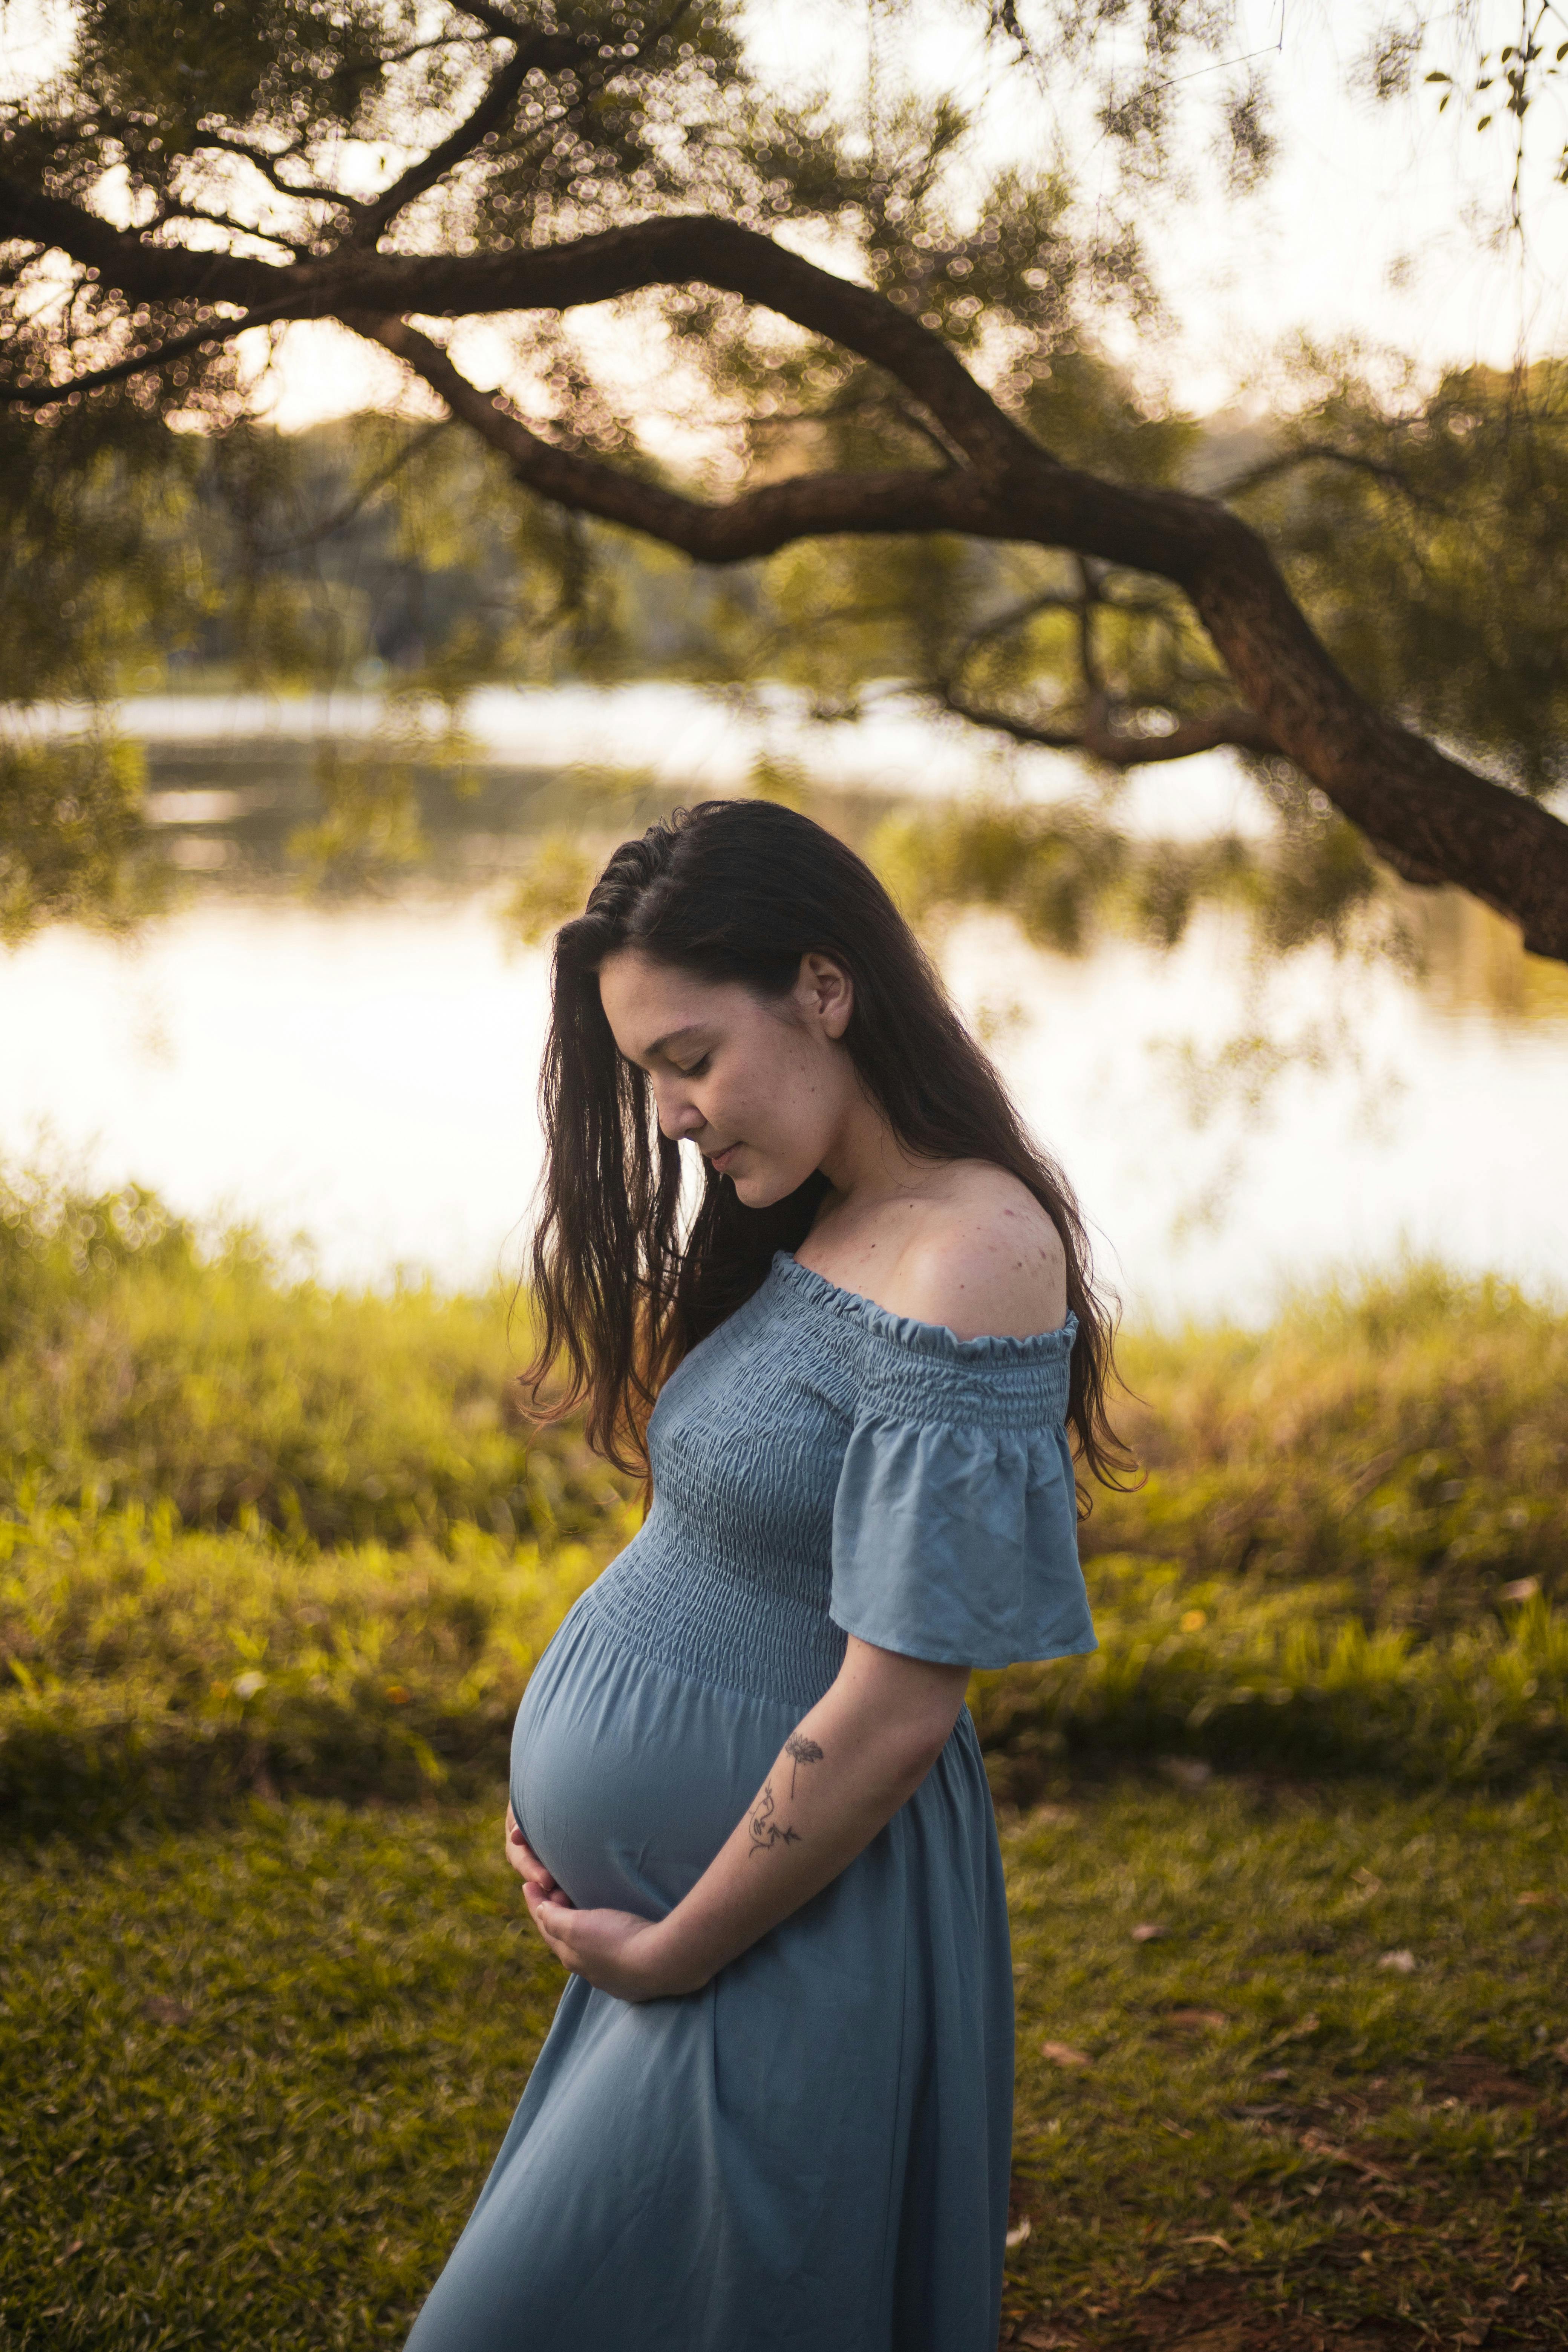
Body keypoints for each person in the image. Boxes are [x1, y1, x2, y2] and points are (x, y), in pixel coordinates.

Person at [405, 796, 1126, 2352]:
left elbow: (895, 1708)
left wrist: (669, 1948)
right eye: (645, 1074)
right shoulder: (827, 1217)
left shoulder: (973, 1254)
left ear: (822, 986)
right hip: (698, 1920)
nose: (668, 1115)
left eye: (687, 1057)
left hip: (783, 1932)